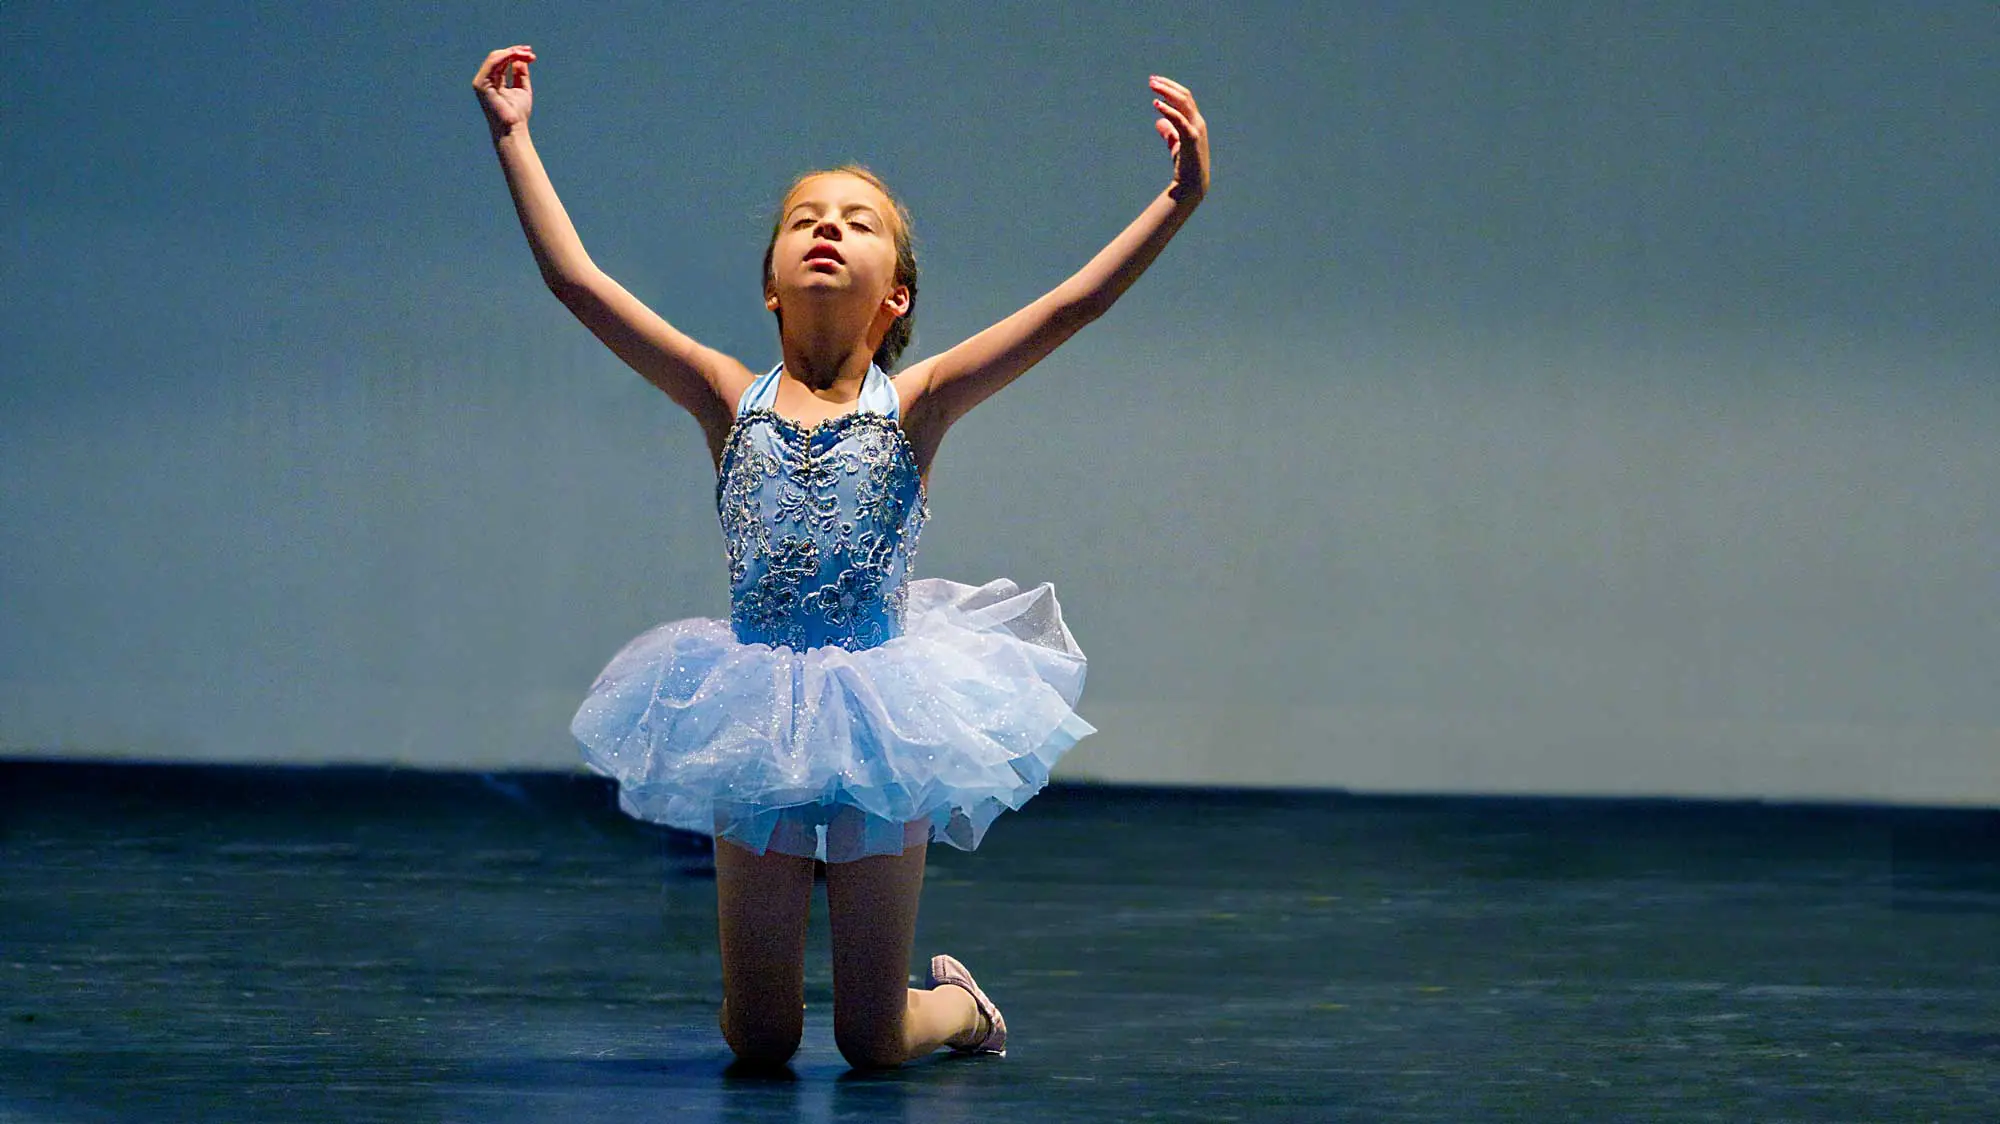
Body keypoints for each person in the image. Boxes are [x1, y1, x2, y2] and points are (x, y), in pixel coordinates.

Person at [473, 44, 1210, 1070]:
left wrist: (1173, 204)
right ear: (770, 284)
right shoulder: (724, 393)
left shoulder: (918, 403)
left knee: (870, 1041)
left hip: (883, 718)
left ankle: (955, 1003)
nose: (827, 227)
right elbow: (577, 284)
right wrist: (513, 138)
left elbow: (1070, 307)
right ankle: (757, 987)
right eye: (805, 219)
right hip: (752, 709)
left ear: (895, 297)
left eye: (857, 223)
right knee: (764, 1038)